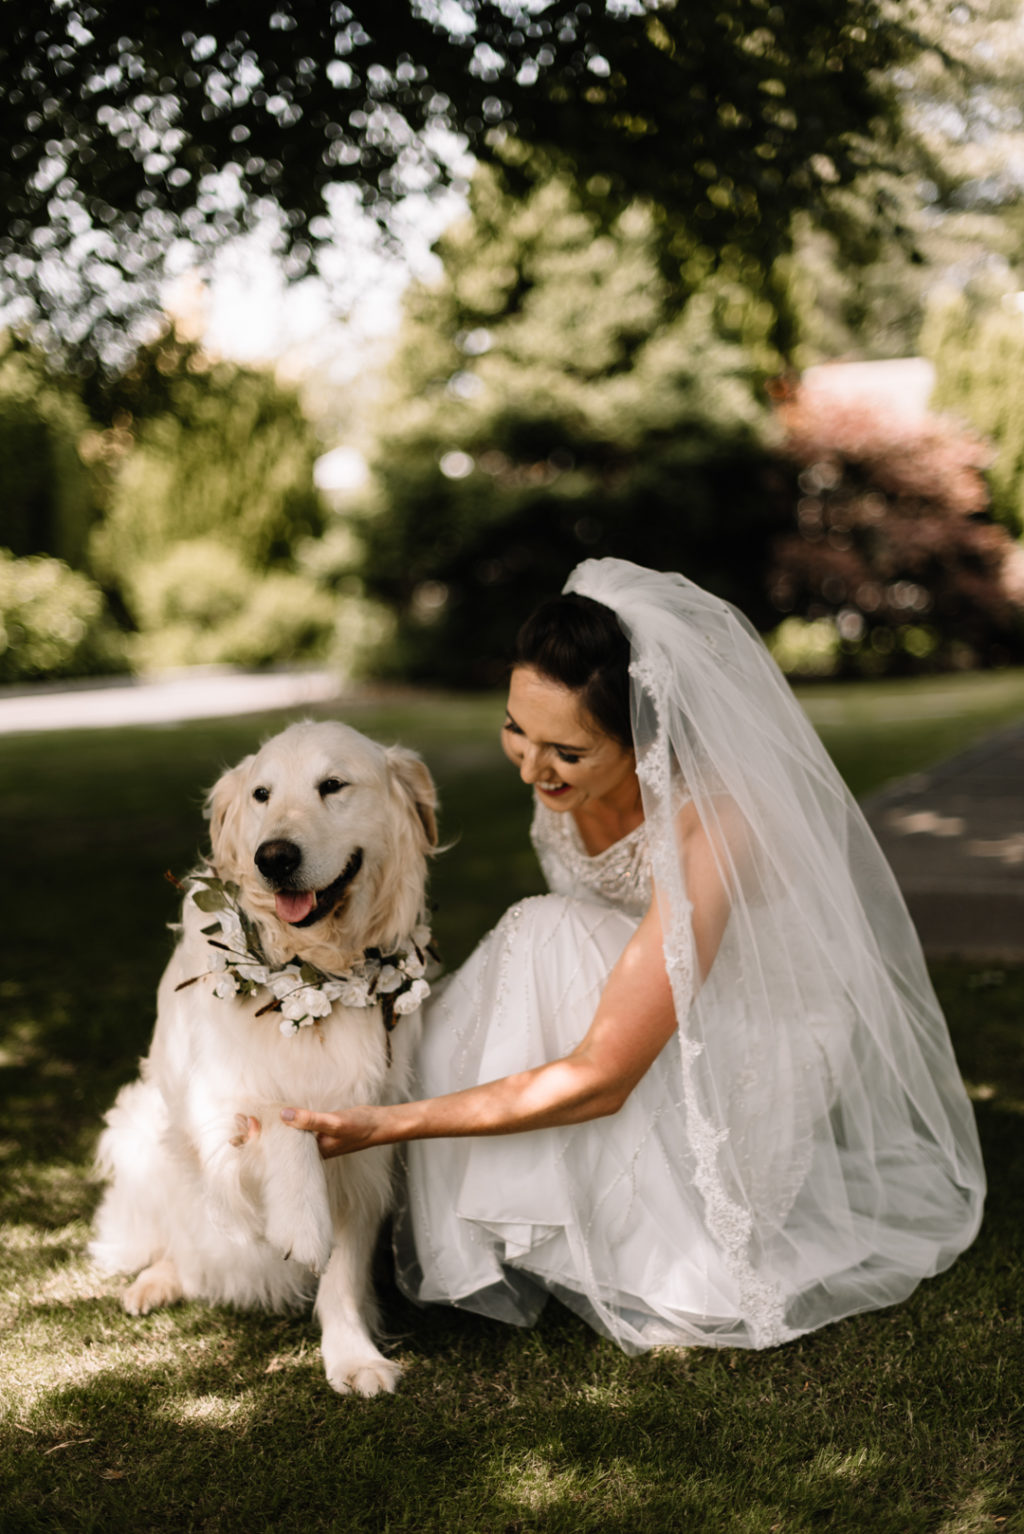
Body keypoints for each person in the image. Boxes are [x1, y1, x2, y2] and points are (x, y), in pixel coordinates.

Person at [281, 558, 985, 1353]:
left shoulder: (714, 829)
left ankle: (545, 1215)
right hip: (635, 999)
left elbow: (604, 1075)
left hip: (750, 1042)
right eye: (517, 728)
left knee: (541, 931)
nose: (531, 766)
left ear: (644, 732)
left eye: (568, 752)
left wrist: (389, 1125)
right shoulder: (560, 784)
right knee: (519, 953)